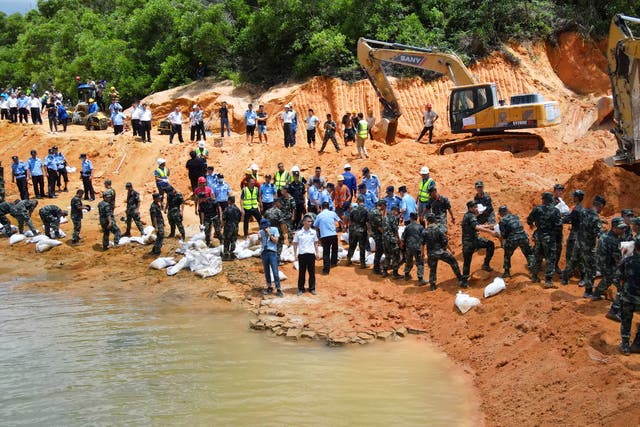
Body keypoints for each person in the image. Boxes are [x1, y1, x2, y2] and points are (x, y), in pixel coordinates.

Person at [562, 195, 606, 297]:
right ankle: (588, 292)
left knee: (573, 260)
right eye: (602, 208)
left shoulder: (584, 211)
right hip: (588, 247)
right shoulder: (596, 219)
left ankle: (564, 278)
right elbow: (600, 235)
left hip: (578, 242)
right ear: (600, 206)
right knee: (590, 269)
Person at [592, 217, 627, 322]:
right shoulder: (614, 240)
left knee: (608, 278)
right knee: (623, 285)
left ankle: (597, 293)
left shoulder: (605, 235)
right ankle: (614, 312)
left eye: (624, 228)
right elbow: (618, 260)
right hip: (608, 265)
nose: (623, 230)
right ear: (614, 228)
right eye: (621, 228)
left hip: (600, 264)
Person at [527, 192, 562, 288]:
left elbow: (529, 220)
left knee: (538, 256)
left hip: (538, 236)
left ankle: (534, 276)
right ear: (551, 200)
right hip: (549, 237)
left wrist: (532, 225)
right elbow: (559, 226)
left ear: (544, 200)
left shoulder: (537, 209)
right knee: (550, 258)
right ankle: (548, 281)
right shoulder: (555, 211)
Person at [461, 201, 496, 287]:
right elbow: (477, 227)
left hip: (469, 241)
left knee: (467, 261)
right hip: (471, 242)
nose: (477, 209)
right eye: (475, 207)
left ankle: (464, 281)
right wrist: (490, 231)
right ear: (470, 208)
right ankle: (485, 264)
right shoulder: (471, 216)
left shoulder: (467, 215)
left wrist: (489, 226)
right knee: (490, 244)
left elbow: (476, 225)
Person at [424, 213, 464, 290]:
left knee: (433, 269)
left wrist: (423, 253)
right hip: (441, 252)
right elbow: (445, 241)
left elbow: (422, 243)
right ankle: (460, 278)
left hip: (431, 253)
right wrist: (451, 250)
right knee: (453, 262)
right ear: (434, 220)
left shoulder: (425, 231)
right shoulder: (438, 229)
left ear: (427, 221)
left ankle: (432, 285)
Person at [498, 205, 534, 278]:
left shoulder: (502, 221)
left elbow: (504, 235)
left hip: (513, 238)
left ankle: (507, 272)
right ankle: (534, 273)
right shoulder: (515, 216)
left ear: (500, 213)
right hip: (523, 236)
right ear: (507, 211)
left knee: (507, 255)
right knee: (529, 254)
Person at [619, 237, 640, 355]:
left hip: (627, 297)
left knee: (626, 321)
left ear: (635, 248)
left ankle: (625, 346)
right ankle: (637, 344)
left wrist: (621, 289)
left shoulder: (626, 261)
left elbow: (618, 276)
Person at [293, 214, 319, 295]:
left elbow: (316, 243)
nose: (310, 223)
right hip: (302, 255)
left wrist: (317, 253)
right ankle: (301, 289)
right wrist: (295, 254)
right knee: (302, 272)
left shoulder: (313, 232)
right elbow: (295, 244)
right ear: (304, 222)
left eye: (311, 221)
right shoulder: (298, 233)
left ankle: (312, 288)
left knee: (312, 273)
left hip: (311, 254)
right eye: (308, 221)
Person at [314, 201, 341, 274]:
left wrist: (317, 235)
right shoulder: (332, 213)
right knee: (335, 249)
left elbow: (315, 226)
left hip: (324, 236)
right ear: (328, 207)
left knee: (326, 252)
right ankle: (333, 262)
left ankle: (326, 270)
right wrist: (343, 227)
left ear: (322, 207)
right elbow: (339, 220)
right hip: (333, 235)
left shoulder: (319, 215)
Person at [562, 189, 585, 280]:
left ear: (577, 198)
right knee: (573, 255)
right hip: (578, 233)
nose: (573, 198)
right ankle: (570, 272)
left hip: (575, 235)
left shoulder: (577, 209)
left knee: (572, 255)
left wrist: (559, 218)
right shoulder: (580, 208)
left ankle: (581, 275)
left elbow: (569, 219)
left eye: (574, 196)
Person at [258, 218, 283, 297]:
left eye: (265, 227)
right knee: (267, 271)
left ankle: (278, 288)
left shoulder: (274, 230)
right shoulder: (261, 232)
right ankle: (269, 287)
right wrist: (258, 238)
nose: (264, 228)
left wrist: (269, 234)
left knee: (275, 271)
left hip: (272, 252)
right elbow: (258, 242)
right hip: (264, 253)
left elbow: (276, 241)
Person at [402, 212, 427, 285]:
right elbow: (423, 239)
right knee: (419, 262)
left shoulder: (407, 227)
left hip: (409, 247)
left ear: (410, 218)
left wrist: (403, 247)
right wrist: (423, 251)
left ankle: (406, 275)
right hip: (417, 247)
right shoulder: (420, 227)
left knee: (409, 261)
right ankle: (420, 279)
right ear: (417, 218)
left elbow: (403, 238)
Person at [346, 195, 369, 268]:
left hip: (353, 230)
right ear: (363, 201)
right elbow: (368, 222)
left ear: (358, 201)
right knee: (362, 247)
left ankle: (348, 259)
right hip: (362, 230)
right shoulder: (366, 210)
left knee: (352, 245)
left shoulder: (353, 209)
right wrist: (369, 231)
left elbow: (350, 220)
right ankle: (362, 263)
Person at [264, 198, 287, 262]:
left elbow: (263, 222)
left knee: (270, 245)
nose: (281, 205)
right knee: (279, 244)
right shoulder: (279, 212)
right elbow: (282, 224)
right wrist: (284, 233)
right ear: (277, 203)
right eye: (280, 203)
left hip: (268, 231)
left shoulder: (267, 211)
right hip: (277, 231)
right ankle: (277, 260)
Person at [382, 205, 402, 279]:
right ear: (394, 211)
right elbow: (396, 231)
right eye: (397, 212)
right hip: (391, 240)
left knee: (387, 256)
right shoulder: (393, 218)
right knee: (395, 256)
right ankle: (395, 273)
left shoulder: (384, 218)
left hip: (384, 240)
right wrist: (399, 241)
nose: (397, 214)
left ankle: (384, 271)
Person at [222, 195, 242, 260]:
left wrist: (222, 226)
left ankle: (226, 254)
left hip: (228, 226)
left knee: (226, 240)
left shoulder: (227, 209)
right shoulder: (237, 209)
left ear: (229, 201)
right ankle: (232, 253)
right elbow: (240, 219)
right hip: (235, 226)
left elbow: (224, 219)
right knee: (233, 240)